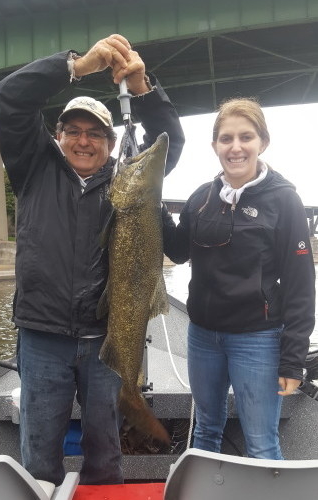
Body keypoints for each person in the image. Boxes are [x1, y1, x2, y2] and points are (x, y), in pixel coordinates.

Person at [0, 34, 184, 486]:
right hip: (42, 337)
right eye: (73, 131)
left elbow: (169, 142)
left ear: (109, 141)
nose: (83, 141)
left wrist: (143, 87)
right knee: (39, 455)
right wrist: (76, 67)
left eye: (95, 133)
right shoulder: (33, 168)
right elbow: (11, 97)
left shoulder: (127, 187)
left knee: (106, 455)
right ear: (57, 136)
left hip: (106, 342)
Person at [162, 97, 315, 459]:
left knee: (262, 442)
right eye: (226, 139)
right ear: (215, 145)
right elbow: (179, 251)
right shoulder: (202, 196)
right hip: (202, 336)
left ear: (263, 142)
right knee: (205, 429)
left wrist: (292, 359)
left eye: (246, 137)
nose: (235, 147)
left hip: (257, 339)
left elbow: (300, 285)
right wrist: (153, 205)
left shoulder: (284, 200)